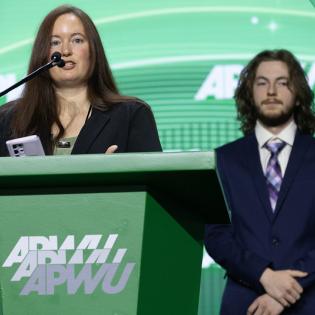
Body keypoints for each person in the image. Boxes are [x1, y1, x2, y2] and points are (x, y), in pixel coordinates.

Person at [205, 49, 315, 315]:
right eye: (262, 82)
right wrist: (264, 275)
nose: (272, 91)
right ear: (249, 93)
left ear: (298, 93)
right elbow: (215, 234)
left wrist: (285, 290)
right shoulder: (223, 159)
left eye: (282, 82)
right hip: (245, 304)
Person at [0, 5, 161, 156]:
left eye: (77, 40)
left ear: (93, 50)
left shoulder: (131, 115)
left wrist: (114, 176)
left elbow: (158, 182)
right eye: (55, 42)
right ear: (42, 54)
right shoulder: (9, 119)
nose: (65, 51)